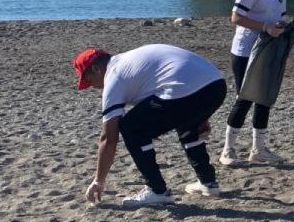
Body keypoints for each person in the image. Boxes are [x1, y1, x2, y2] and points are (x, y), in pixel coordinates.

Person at [76, 44, 227, 206]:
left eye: (89, 80)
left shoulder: (114, 77)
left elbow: (108, 138)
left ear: (97, 69)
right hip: (216, 85)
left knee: (131, 127)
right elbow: (185, 82)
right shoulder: (130, 63)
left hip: (186, 88)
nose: (93, 87)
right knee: (187, 122)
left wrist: (98, 180)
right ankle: (208, 182)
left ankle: (157, 191)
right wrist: (200, 115)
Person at [220, 0, 294, 166]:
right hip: (245, 50)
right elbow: (236, 17)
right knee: (244, 98)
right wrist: (265, 27)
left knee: (264, 99)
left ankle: (258, 149)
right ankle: (227, 150)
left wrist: (284, 28)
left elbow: (279, 17)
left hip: (268, 48)